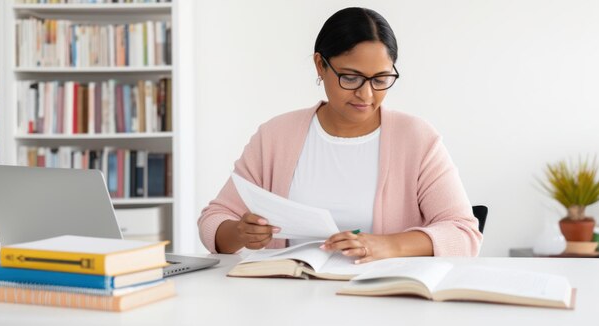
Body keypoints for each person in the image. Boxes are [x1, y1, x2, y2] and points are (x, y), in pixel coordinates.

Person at [198, 7, 482, 263]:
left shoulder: (417, 139)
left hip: (386, 300)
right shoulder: (276, 136)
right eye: (351, 77)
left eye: (380, 79)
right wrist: (239, 232)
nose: (366, 94)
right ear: (320, 65)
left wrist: (387, 246)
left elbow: (464, 233)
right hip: (290, 299)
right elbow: (213, 220)